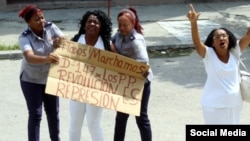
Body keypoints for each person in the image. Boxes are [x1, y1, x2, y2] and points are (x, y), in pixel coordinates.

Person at [187, 4, 250, 124]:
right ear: (213, 42)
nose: (221, 38)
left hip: (234, 105)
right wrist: (193, 23)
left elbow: (248, 36)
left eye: (224, 36)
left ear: (229, 39)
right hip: (213, 106)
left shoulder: (235, 51)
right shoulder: (208, 54)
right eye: (217, 37)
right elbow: (197, 43)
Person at [18, 4, 64, 141]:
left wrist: (59, 41)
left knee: (53, 114)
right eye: (37, 19)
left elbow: (66, 39)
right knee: (36, 114)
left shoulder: (51, 27)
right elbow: (29, 57)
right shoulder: (24, 37)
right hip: (31, 80)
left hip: (50, 78)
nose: (41, 21)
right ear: (28, 22)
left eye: (42, 17)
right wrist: (47, 59)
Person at [69, 10, 113, 141]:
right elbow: (63, 58)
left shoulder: (106, 44)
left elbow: (121, 64)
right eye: (89, 21)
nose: (92, 24)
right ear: (84, 25)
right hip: (77, 89)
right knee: (74, 126)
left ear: (101, 26)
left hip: (96, 91)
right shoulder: (76, 40)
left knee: (94, 125)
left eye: (96, 22)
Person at [112, 6, 153, 141]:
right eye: (120, 25)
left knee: (141, 117)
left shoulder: (136, 41)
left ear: (133, 24)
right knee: (121, 117)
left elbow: (143, 63)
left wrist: (116, 55)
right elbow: (109, 45)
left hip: (140, 83)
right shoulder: (118, 35)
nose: (122, 28)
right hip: (125, 82)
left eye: (125, 25)